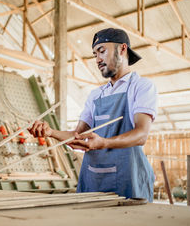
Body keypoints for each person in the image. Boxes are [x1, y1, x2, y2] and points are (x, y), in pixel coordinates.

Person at [28, 28, 157, 202]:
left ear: (122, 49)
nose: (97, 59)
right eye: (95, 54)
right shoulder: (96, 95)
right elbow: (77, 139)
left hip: (129, 180)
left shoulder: (141, 86)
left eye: (102, 51)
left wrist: (104, 142)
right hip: (94, 180)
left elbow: (141, 135)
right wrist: (51, 132)